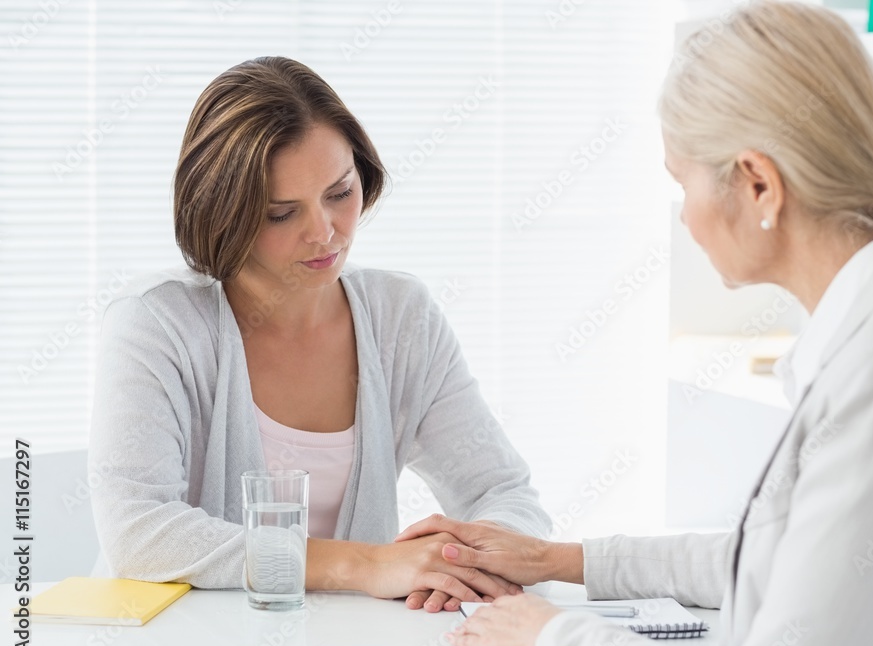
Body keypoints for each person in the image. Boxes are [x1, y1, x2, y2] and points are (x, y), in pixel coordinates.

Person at [395, 2, 873, 646]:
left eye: (682, 183)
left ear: (758, 184)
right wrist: (557, 558)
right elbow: (782, 555)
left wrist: (555, 637)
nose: (684, 218)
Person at [87, 56, 550, 614]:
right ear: (223, 214)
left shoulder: (400, 316)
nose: (324, 232)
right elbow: (138, 531)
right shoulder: (156, 322)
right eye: (283, 213)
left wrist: (460, 563)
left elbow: (503, 493)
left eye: (340, 192)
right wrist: (363, 564)